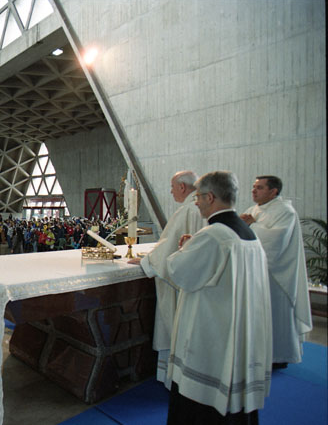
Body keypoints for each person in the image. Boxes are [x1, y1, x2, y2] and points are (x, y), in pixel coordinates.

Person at [158, 171, 272, 424]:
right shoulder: (248, 234)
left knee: (201, 407)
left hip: (212, 337)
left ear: (210, 197)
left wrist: (184, 249)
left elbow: (179, 272)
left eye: (198, 197)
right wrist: (193, 246)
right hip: (240, 331)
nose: (196, 202)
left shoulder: (214, 235)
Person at [128, 170, 205, 386]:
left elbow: (169, 248)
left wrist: (147, 261)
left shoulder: (188, 210)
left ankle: (176, 378)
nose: (171, 192)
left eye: (172, 187)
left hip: (181, 284)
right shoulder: (201, 207)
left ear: (182, 187)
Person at [239, 175, 312, 368]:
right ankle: (259, 354)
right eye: (254, 187)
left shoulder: (285, 211)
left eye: (260, 188)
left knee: (277, 316)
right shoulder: (253, 210)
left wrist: (252, 225)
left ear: (273, 191)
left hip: (278, 275)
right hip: (256, 272)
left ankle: (279, 357)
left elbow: (276, 241)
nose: (254, 191)